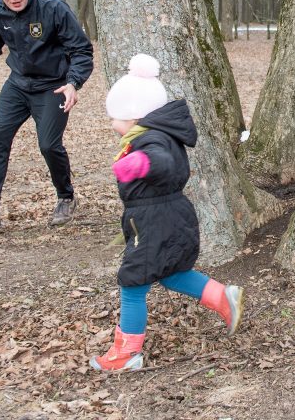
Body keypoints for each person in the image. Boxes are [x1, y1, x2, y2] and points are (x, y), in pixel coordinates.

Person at [89, 54, 245, 373]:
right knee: (170, 271)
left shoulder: (152, 139)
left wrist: (138, 164)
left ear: (133, 116)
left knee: (133, 283)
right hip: (166, 216)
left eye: (114, 118)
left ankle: (127, 353)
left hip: (155, 222)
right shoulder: (156, 132)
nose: (112, 124)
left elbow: (161, 162)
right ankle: (221, 297)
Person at [0, 0, 94, 232]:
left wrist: (73, 83)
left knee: (48, 145)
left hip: (54, 85)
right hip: (18, 84)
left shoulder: (52, 7)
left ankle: (66, 197)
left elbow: (82, 50)